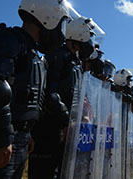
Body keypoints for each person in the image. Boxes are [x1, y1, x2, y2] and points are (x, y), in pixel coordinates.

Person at [0, 0, 73, 178]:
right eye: (60, 24)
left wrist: (27, 133)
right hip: (2, 136)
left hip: (19, 137)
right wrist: (1, 138)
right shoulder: (10, 40)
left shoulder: (35, 55)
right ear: (49, 18)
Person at [28, 16, 98, 178]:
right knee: (44, 172)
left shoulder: (75, 63)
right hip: (49, 129)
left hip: (65, 129)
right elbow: (50, 94)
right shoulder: (58, 56)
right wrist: (67, 121)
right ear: (79, 36)